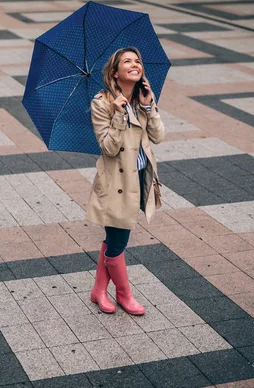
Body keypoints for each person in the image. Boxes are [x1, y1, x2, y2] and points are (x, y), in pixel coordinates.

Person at [87, 47, 166, 316]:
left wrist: (148, 106)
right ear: (115, 73)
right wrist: (119, 114)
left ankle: (99, 291)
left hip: (140, 178)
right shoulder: (102, 102)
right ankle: (124, 295)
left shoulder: (142, 98)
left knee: (113, 237)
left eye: (137, 61)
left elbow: (158, 136)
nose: (135, 64)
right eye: (127, 62)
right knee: (119, 240)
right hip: (116, 183)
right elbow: (108, 147)